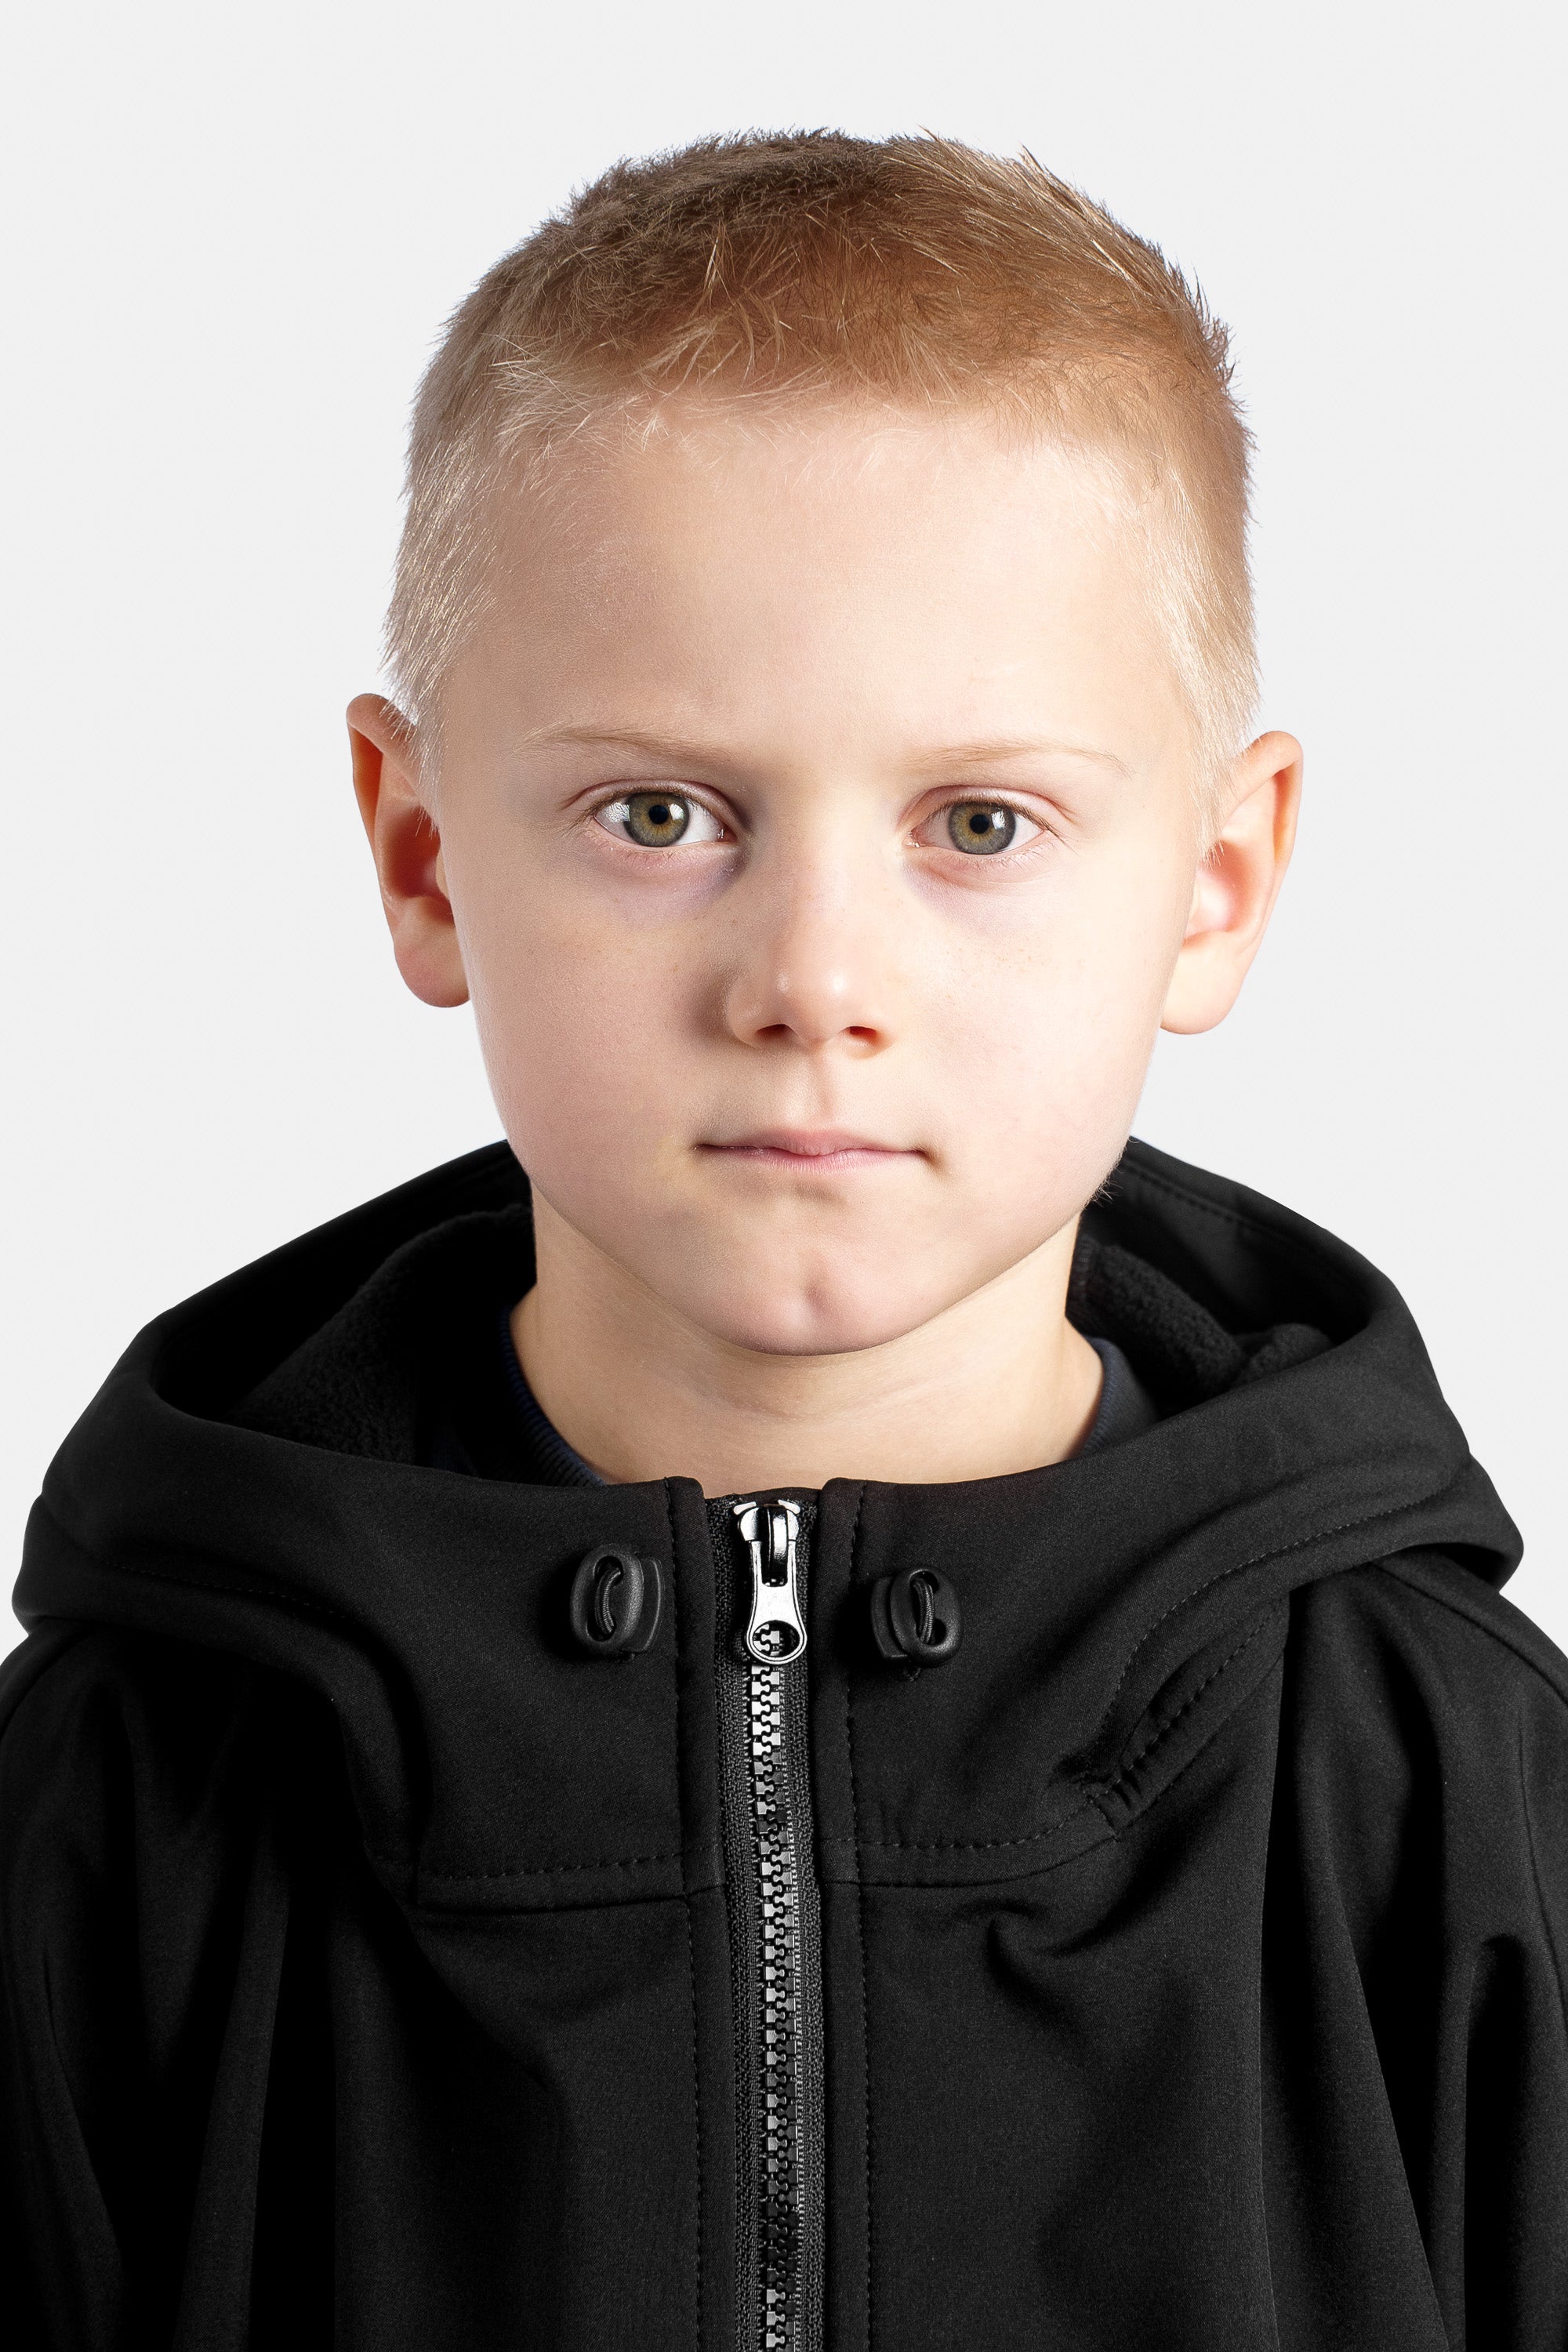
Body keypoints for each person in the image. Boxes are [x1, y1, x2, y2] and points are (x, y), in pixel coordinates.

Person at [2, 130, 1563, 2352]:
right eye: (665, 816)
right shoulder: (114, 1811)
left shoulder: (1463, 1809)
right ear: (427, 854)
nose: (814, 974)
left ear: (1217, 881)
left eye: (980, 824)